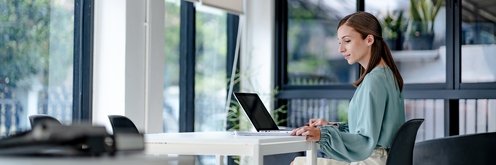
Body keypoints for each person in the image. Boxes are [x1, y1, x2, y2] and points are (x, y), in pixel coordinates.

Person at [290, 11, 406, 165]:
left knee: (298, 163)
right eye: (339, 42)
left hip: (370, 160)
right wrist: (331, 127)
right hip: (379, 158)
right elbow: (367, 131)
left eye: (347, 41)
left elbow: (365, 141)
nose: (341, 49)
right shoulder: (386, 75)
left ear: (369, 39)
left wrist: (322, 134)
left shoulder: (374, 80)